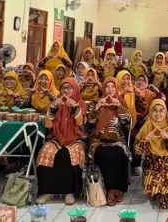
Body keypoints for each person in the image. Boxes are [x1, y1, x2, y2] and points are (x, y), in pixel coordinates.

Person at [36, 77, 86, 204]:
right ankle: (47, 192)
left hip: (75, 138)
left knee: (70, 155)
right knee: (45, 153)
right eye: (63, 88)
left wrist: (74, 107)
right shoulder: (56, 103)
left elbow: (80, 122)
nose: (65, 90)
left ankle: (69, 193)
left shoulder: (80, 103)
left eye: (69, 88)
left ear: (74, 89)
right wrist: (53, 107)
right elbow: (48, 124)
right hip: (56, 138)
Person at [87, 77, 132, 206]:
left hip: (117, 140)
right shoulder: (95, 102)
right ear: (103, 88)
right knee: (105, 154)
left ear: (116, 89)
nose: (110, 89)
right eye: (107, 87)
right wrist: (97, 108)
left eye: (113, 87)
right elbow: (89, 123)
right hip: (98, 140)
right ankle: (110, 190)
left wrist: (118, 106)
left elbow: (127, 121)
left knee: (119, 153)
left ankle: (119, 188)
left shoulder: (120, 102)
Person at [134, 100, 168, 209]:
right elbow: (137, 151)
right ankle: (155, 191)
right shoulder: (146, 127)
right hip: (152, 162)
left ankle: (164, 192)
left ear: (165, 112)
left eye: (161, 111)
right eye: (155, 111)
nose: (158, 114)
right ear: (150, 112)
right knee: (152, 193)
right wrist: (145, 140)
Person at [116, 71, 141, 176]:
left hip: (131, 123)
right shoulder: (114, 90)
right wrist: (122, 93)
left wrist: (139, 95)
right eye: (123, 78)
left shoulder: (133, 92)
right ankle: (121, 166)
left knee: (137, 138)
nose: (126, 81)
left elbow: (141, 107)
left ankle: (134, 165)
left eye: (128, 79)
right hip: (117, 123)